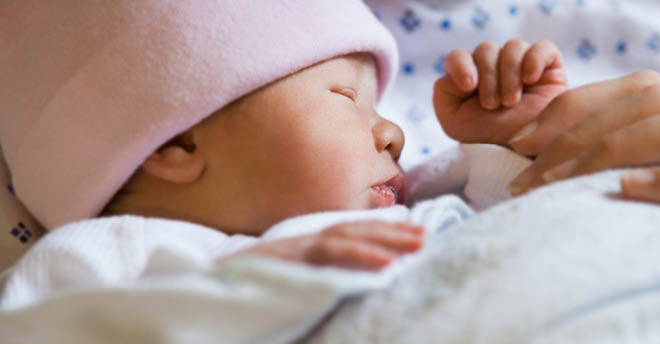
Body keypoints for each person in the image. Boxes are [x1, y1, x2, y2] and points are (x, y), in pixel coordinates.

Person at [0, 0, 567, 278]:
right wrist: (248, 282)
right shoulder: (111, 261)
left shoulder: (416, 199)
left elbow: (521, 222)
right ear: (176, 146)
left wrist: (524, 139)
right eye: (345, 98)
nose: (393, 133)